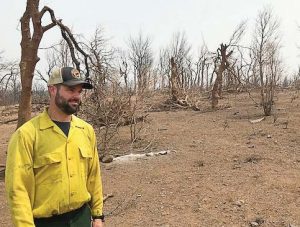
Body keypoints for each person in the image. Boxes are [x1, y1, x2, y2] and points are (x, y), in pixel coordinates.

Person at [5, 67, 104, 227]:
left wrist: (98, 215)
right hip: (46, 222)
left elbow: (94, 177)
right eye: (71, 90)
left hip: (82, 219)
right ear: (52, 90)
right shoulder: (27, 135)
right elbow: (18, 190)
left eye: (79, 91)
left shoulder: (86, 131)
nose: (76, 96)